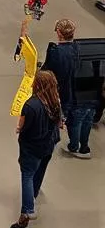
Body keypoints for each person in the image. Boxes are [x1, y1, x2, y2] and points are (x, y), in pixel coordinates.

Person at [11, 69, 64, 228]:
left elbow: (23, 127)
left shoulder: (31, 105)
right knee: (41, 168)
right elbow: (59, 122)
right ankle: (34, 192)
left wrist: (19, 128)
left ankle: (27, 212)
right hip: (49, 144)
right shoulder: (55, 100)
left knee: (27, 175)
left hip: (32, 147)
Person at [41, 18, 79, 146]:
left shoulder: (55, 52)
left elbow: (47, 72)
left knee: (50, 121)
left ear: (58, 32)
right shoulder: (77, 50)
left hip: (55, 93)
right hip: (70, 94)